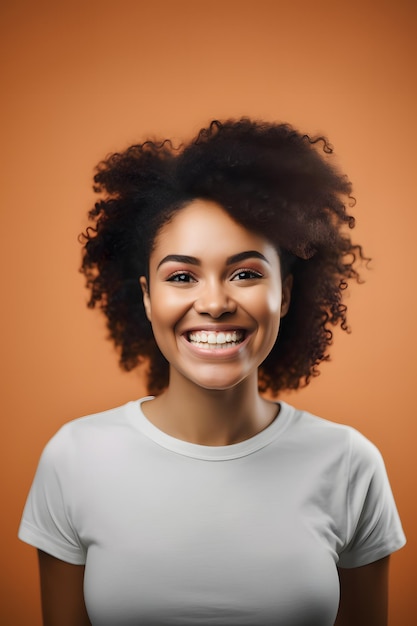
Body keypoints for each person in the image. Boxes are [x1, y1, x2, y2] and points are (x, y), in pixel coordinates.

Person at [19, 118, 405, 626]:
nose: (216, 303)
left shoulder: (350, 464)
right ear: (146, 297)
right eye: (182, 276)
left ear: (284, 295)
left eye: (246, 274)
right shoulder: (74, 459)